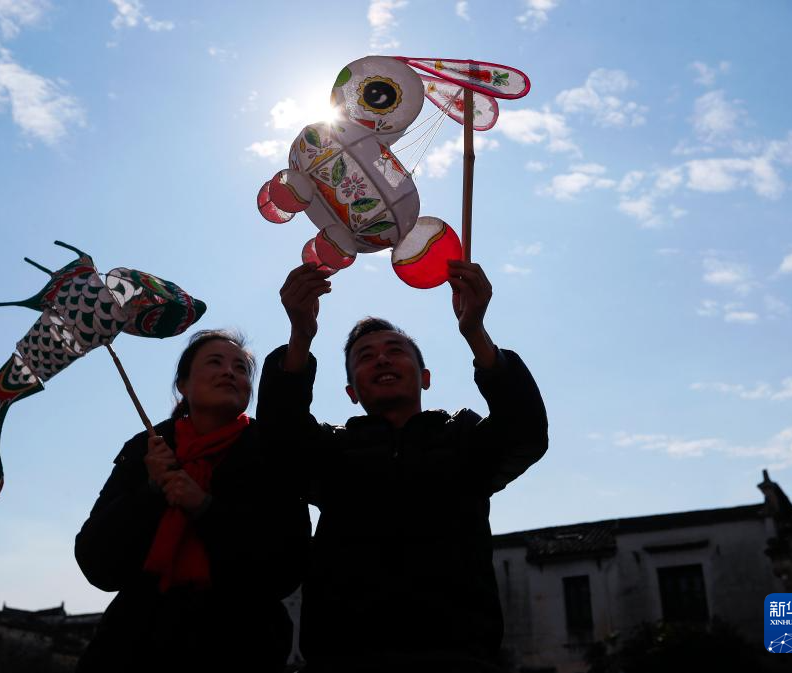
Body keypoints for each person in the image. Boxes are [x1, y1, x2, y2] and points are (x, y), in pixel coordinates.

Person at [257, 261, 549, 673]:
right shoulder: (332, 449)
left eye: (395, 351)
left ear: (425, 377)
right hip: (343, 658)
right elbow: (278, 441)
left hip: (457, 655)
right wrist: (300, 336)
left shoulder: (462, 437)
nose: (381, 359)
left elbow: (525, 432)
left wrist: (475, 332)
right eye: (365, 356)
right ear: (351, 392)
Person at [75, 329, 311, 672]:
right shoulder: (148, 449)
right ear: (182, 384)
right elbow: (97, 562)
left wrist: (204, 508)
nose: (229, 372)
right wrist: (151, 493)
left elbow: (286, 566)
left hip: (241, 646)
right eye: (215, 362)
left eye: (241, 368)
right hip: (132, 643)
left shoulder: (269, 451)